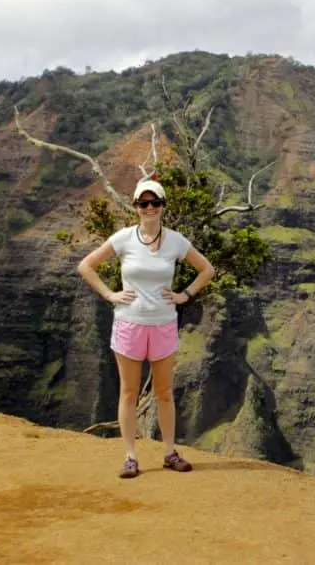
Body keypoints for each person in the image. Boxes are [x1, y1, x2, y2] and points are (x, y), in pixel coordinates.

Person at [77, 179, 215, 479]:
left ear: (163, 206)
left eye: (155, 203)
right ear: (136, 207)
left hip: (163, 323)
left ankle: (169, 452)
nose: (149, 208)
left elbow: (207, 269)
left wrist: (185, 295)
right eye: (143, 203)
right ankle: (130, 456)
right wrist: (110, 294)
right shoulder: (124, 238)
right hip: (129, 323)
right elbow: (86, 265)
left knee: (164, 392)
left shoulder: (176, 241)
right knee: (128, 393)